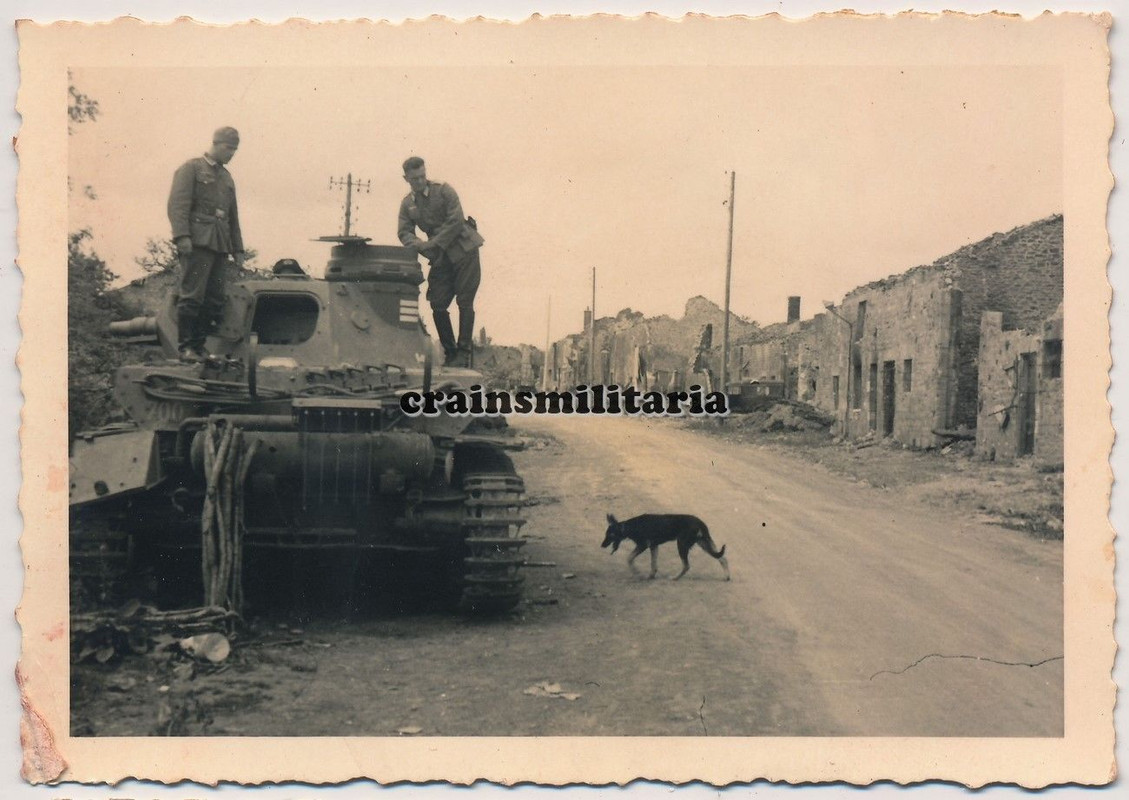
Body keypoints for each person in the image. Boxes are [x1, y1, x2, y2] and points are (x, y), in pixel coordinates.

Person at [167, 126, 246, 361]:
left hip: (220, 244)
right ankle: (186, 347)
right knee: (192, 296)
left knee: (215, 299)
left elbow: (233, 217)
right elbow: (177, 205)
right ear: (216, 143)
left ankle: (200, 346)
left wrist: (238, 249)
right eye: (228, 148)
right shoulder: (191, 168)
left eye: (235, 149)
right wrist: (182, 237)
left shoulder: (226, 177)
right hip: (198, 242)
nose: (232, 153)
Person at [397, 156, 484, 367]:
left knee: (465, 301)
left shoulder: (444, 190)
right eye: (414, 179)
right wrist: (420, 245)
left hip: (464, 248)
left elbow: (455, 221)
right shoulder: (408, 204)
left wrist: (433, 244)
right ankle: (450, 351)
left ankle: (463, 353)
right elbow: (404, 232)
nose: (420, 181)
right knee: (437, 302)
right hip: (440, 256)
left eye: (422, 176)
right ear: (406, 178)